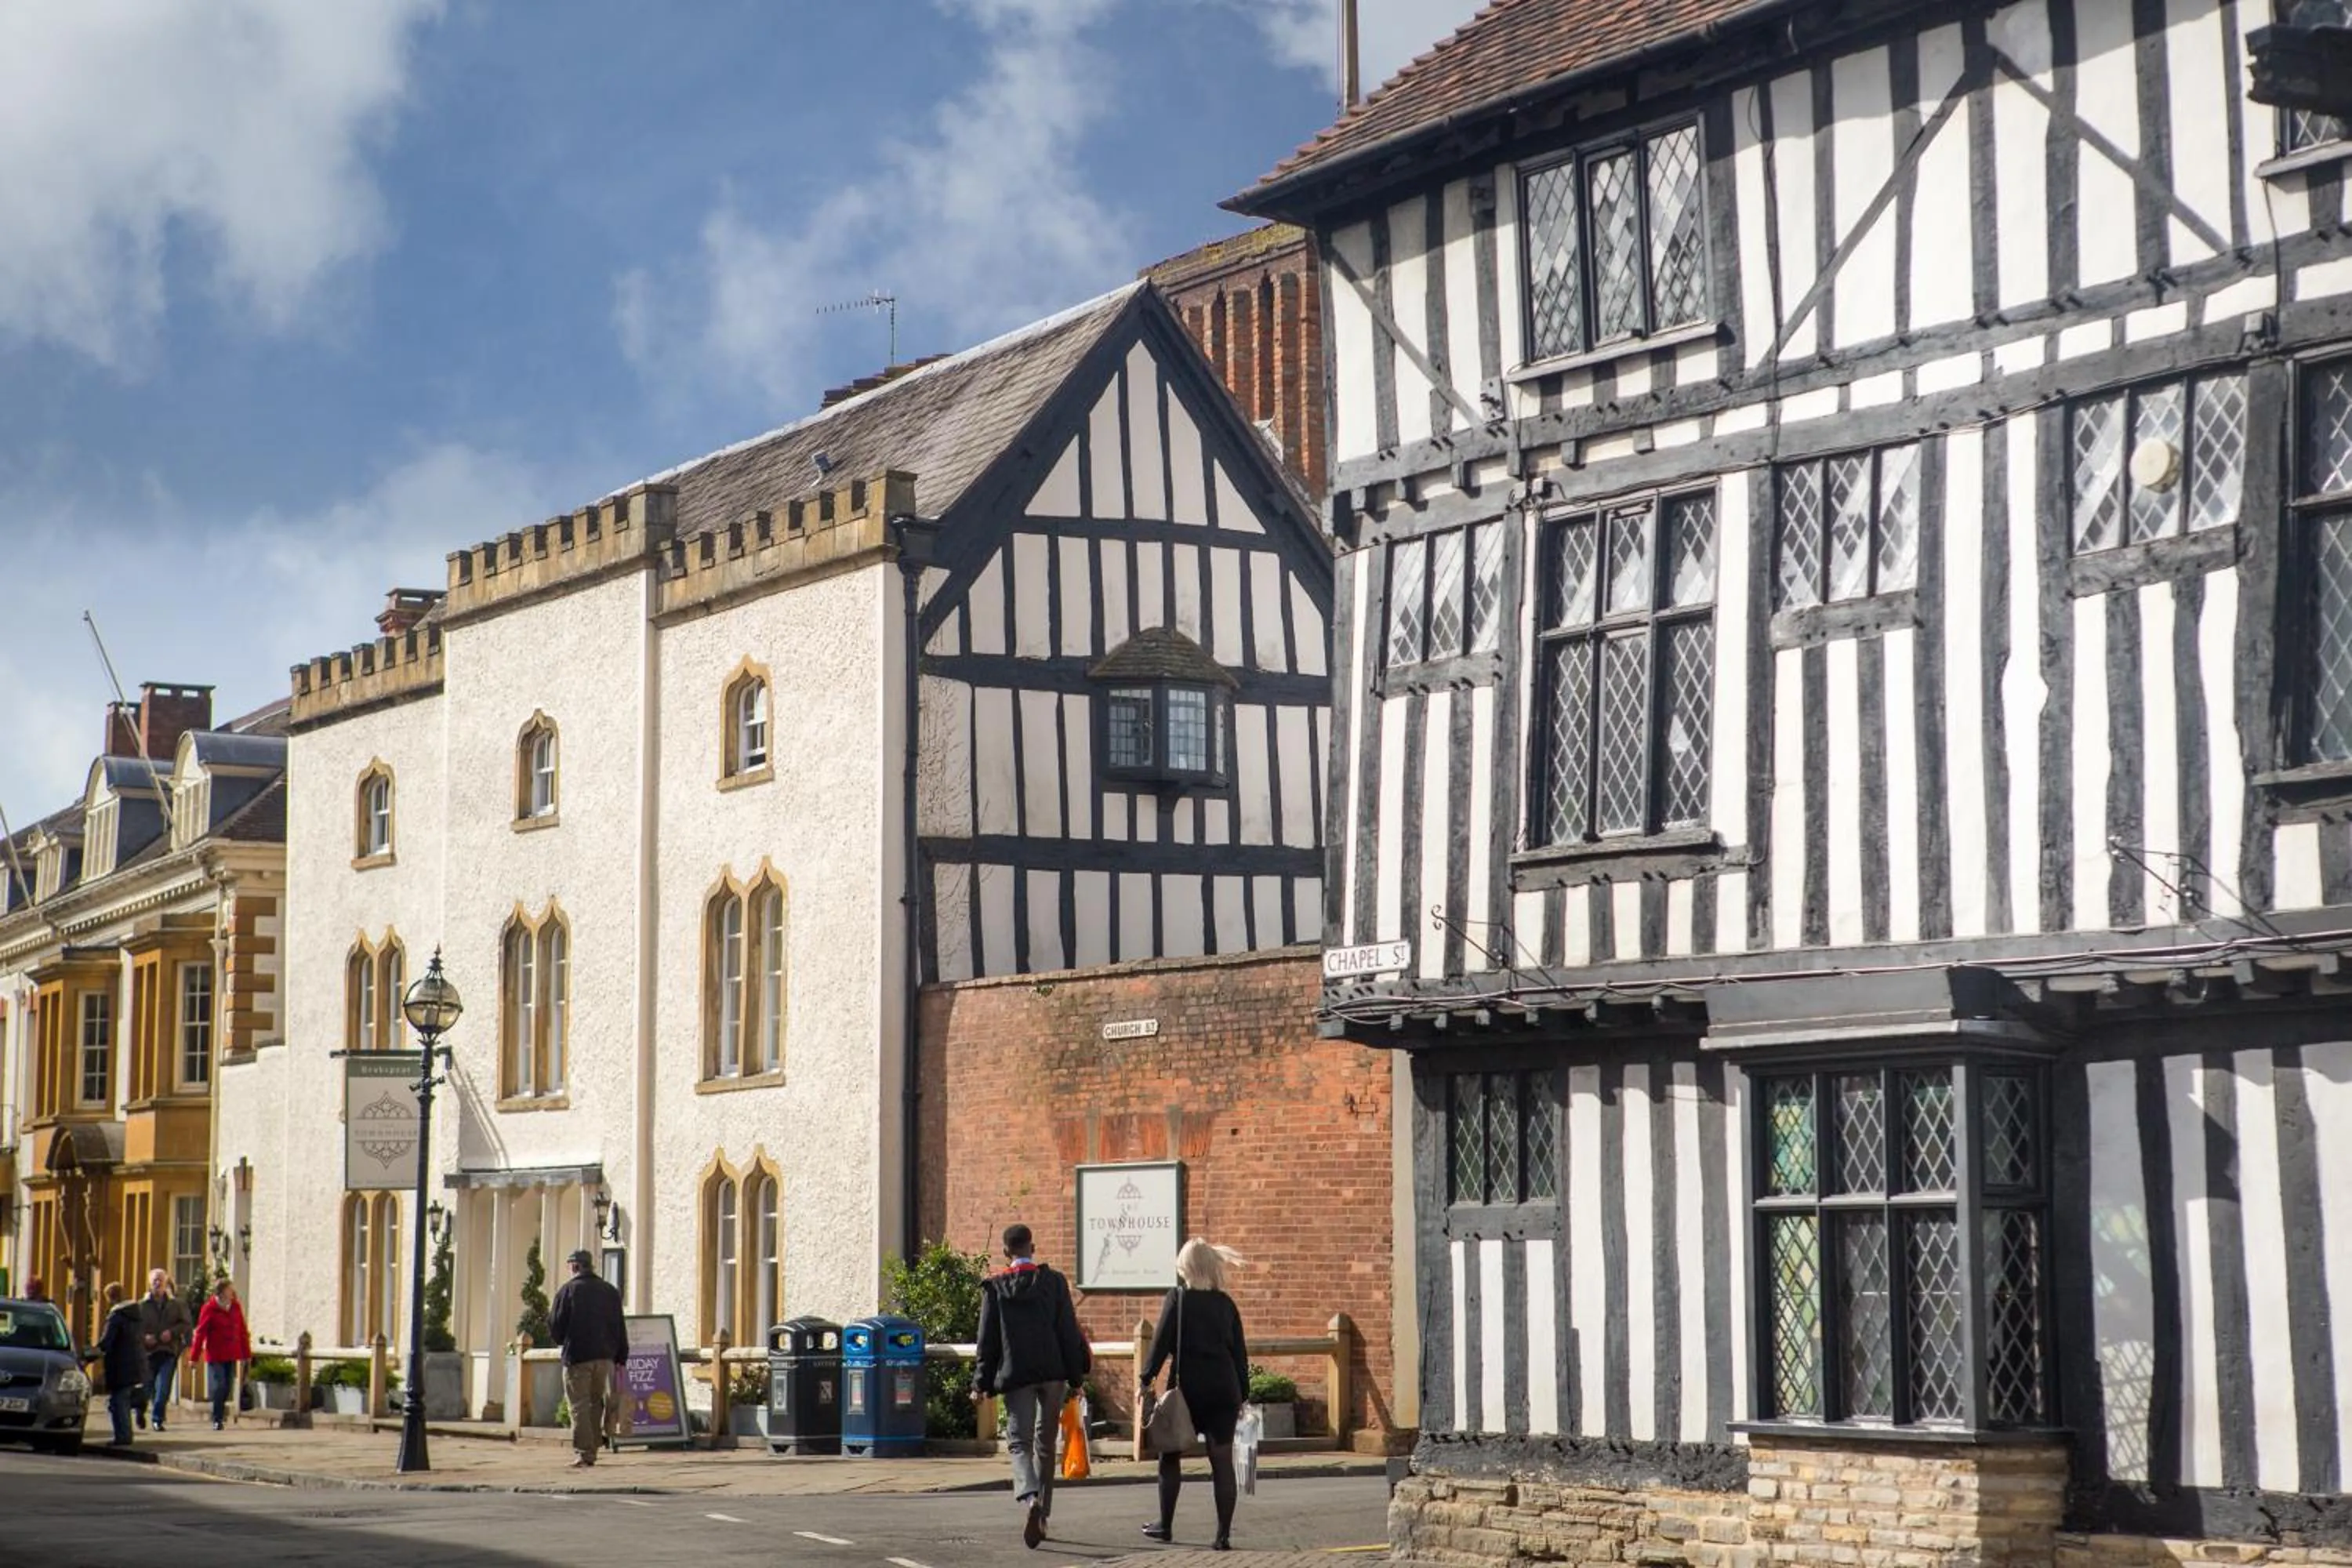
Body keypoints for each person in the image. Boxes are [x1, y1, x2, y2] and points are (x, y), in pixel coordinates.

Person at [974, 1223, 1091, 1550]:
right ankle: (1043, 1515)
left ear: (1006, 1252)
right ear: (1033, 1247)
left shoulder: (995, 1288)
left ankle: (1030, 1500)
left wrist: (980, 1383)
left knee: (1018, 1443)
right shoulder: (1053, 1283)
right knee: (1045, 1443)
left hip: (1017, 1375)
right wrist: (1077, 1379)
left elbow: (988, 1342)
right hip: (1053, 1374)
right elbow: (1068, 1332)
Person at [1138, 1240, 1250, 1552]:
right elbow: (1239, 1354)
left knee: (1170, 1456)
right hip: (1223, 1389)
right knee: (1221, 1462)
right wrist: (1243, 1395)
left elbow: (1160, 1343)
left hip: (1187, 1390)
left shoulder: (1178, 1299)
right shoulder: (1226, 1304)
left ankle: (1165, 1525)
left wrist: (1146, 1379)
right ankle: (1223, 1536)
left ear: (1184, 1267)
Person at [548, 1248, 626, 1469]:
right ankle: (592, 1447)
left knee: (579, 1405)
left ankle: (584, 1452)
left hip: (578, 1357)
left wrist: (562, 1340)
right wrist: (621, 1355)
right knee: (595, 1403)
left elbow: (555, 1325)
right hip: (605, 1358)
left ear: (574, 1266)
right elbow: (619, 1326)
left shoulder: (568, 1291)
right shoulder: (610, 1291)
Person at [85, 1283, 147, 1446]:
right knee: (123, 1399)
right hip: (137, 1363)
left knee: (118, 1403)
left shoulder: (116, 1317)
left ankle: (124, 1436)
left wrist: (87, 1358)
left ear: (110, 1298)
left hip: (120, 1365)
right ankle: (140, 1407)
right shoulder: (136, 1314)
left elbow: (106, 1343)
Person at [190, 1277, 252, 1432]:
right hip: (216, 1353)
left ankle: (219, 1413)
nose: (233, 1292)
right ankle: (217, 1418)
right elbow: (201, 1333)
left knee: (227, 1387)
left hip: (231, 1353)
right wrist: (194, 1357)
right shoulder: (209, 1308)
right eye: (230, 1289)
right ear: (222, 1291)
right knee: (220, 1385)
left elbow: (242, 1330)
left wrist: (246, 1353)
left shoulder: (235, 1307)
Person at [136, 1268, 194, 1432]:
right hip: (148, 1353)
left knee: (163, 1388)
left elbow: (186, 1324)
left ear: (166, 1283)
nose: (157, 1283)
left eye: (160, 1280)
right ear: (149, 1283)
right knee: (146, 1389)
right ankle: (140, 1410)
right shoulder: (141, 1306)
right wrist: (144, 1338)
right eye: (154, 1280)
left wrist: (172, 1333)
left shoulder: (176, 1305)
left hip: (168, 1351)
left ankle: (157, 1419)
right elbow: (133, 1330)